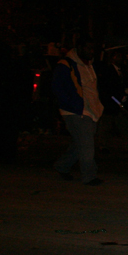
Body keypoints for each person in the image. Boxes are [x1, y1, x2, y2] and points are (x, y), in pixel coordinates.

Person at [53, 36, 104, 185]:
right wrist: (74, 106)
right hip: (76, 112)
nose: (91, 51)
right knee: (86, 144)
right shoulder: (65, 65)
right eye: (88, 48)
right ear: (79, 48)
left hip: (90, 110)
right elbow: (58, 89)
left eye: (92, 48)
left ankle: (62, 166)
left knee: (80, 144)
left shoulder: (89, 65)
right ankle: (89, 176)